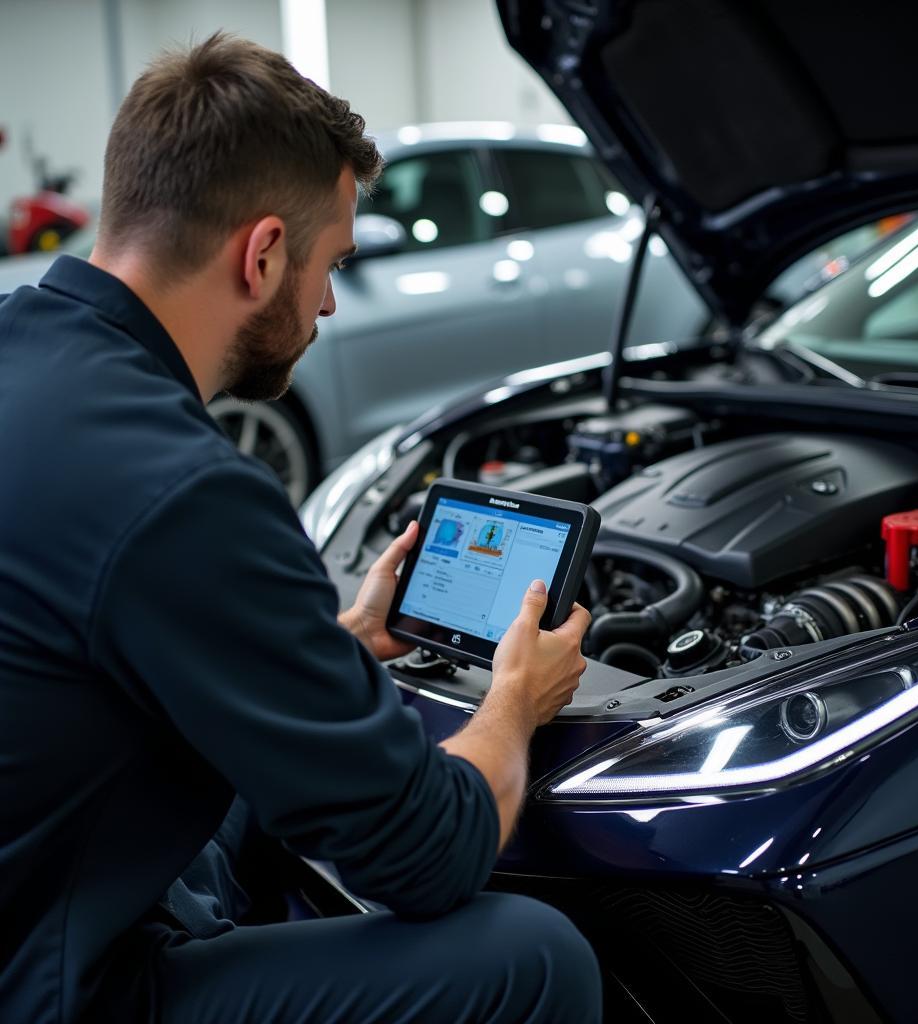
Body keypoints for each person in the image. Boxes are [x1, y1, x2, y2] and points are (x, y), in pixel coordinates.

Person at [0, 33, 601, 1024]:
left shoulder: (29, 353)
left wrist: (335, 644)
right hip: (50, 985)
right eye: (331, 263)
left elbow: (109, 631)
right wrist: (516, 701)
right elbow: (432, 854)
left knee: (239, 813)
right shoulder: (182, 490)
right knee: (531, 958)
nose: (325, 300)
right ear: (264, 250)